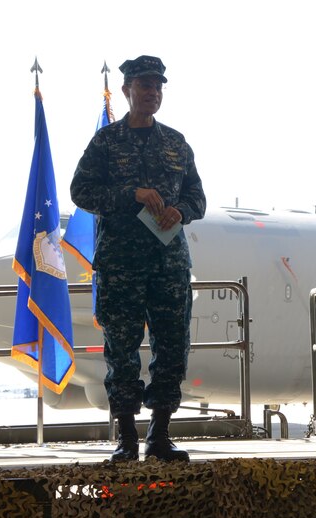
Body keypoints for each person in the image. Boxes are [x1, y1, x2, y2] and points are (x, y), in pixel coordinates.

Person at [70, 55, 207, 462]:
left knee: (172, 347)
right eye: (144, 86)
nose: (151, 93)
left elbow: (197, 197)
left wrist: (181, 210)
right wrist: (131, 195)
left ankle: (159, 435)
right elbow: (81, 192)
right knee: (122, 349)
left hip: (168, 264)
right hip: (121, 264)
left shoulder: (176, 143)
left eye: (157, 87)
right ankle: (127, 438)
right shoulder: (106, 142)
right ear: (127, 90)